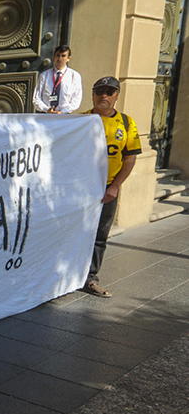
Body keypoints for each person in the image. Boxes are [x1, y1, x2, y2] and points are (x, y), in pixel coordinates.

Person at [81, 76, 141, 297]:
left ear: (117, 95)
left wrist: (115, 187)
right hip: (81, 189)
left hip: (107, 190)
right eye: (99, 91)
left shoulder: (126, 123)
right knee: (75, 232)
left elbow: (130, 158)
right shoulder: (80, 120)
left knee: (99, 235)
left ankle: (90, 278)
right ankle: (66, 276)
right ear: (93, 94)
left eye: (109, 91)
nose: (103, 95)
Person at [33, 45, 82, 114]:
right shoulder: (44, 75)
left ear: (68, 58)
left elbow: (76, 99)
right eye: (58, 56)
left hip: (65, 116)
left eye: (63, 56)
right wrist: (47, 109)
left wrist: (63, 111)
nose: (60, 59)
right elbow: (36, 98)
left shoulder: (74, 76)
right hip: (46, 116)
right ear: (53, 58)